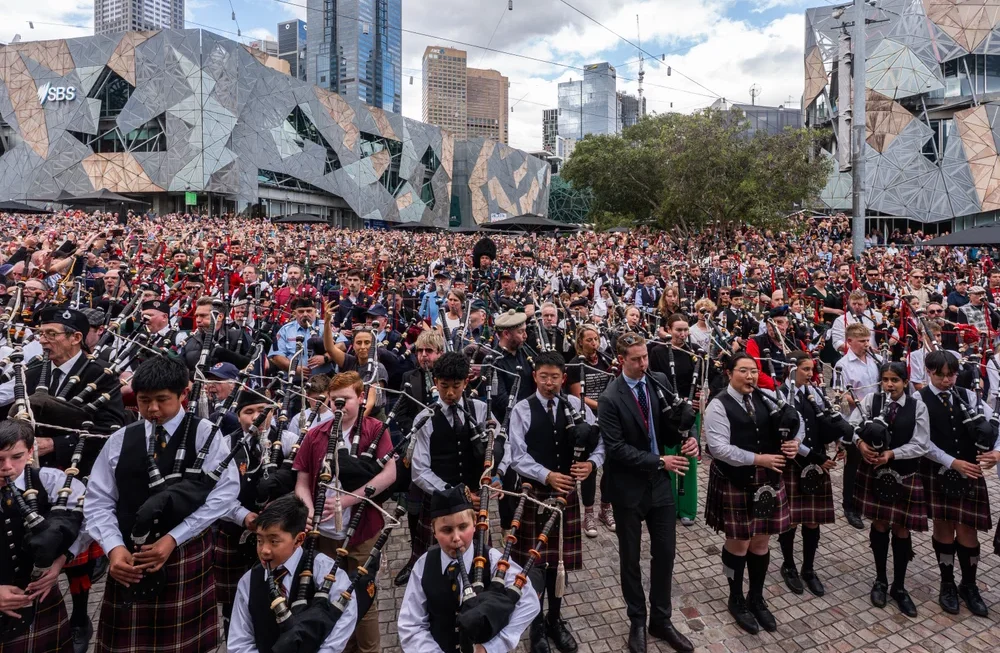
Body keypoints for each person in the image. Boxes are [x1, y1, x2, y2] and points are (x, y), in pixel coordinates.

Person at [84, 355, 239, 653]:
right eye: (144, 400)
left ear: (183, 393)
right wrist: (113, 548)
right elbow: (98, 500)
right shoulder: (120, 440)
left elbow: (225, 493)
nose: (152, 409)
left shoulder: (205, 433)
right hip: (129, 558)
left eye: (162, 399)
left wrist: (173, 538)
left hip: (185, 553)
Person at [598, 332, 695, 653]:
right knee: (630, 558)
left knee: (665, 553)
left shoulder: (657, 380)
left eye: (645, 357)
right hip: (628, 487)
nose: (643, 364)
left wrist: (689, 437)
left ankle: (661, 620)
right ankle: (637, 620)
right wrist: (660, 461)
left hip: (659, 484)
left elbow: (672, 422)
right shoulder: (611, 397)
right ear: (621, 360)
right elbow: (616, 449)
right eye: (636, 359)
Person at [507, 351, 604, 653]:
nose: (549, 383)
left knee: (558, 562)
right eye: (543, 377)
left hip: (566, 496)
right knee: (534, 564)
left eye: (555, 378)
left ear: (564, 378)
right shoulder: (522, 409)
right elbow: (516, 454)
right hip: (535, 494)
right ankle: (536, 625)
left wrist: (592, 464)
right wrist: (546, 475)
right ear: (534, 376)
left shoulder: (576, 405)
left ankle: (555, 619)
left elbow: (600, 441)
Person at [292, 371, 395, 653]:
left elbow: (389, 475)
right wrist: (308, 509)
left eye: (345, 399)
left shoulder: (375, 429)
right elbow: (301, 480)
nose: (339, 405)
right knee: (330, 596)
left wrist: (348, 500)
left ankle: (369, 650)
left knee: (363, 596)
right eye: (334, 400)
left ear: (361, 398)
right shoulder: (316, 434)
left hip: (363, 531)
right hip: (324, 534)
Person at [703, 353, 798, 635]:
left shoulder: (767, 396)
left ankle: (756, 597)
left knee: (761, 543)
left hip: (768, 480)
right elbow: (718, 449)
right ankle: (735, 598)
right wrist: (759, 459)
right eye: (743, 371)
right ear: (729, 373)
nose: (750, 376)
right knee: (738, 545)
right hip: (737, 480)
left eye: (754, 371)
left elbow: (796, 420)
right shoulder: (717, 405)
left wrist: (795, 441)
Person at [397, 484, 540, 653]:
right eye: (446, 530)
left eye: (463, 527)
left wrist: (492, 647)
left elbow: (529, 602)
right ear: (434, 531)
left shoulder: (493, 560)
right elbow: (411, 625)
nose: (456, 538)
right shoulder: (423, 565)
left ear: (474, 523)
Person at [227, 494, 359, 653]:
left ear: (299, 540)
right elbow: (239, 643)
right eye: (260, 540)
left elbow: (345, 614)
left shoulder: (322, 569)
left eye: (274, 541)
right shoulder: (249, 582)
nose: (264, 550)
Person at [919, 350, 998, 617]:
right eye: (940, 375)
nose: (946, 381)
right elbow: (922, 442)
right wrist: (952, 462)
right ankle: (947, 584)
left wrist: (997, 452)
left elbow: (996, 424)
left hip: (970, 474)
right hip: (938, 472)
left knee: (968, 532)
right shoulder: (919, 400)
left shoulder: (969, 396)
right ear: (929, 371)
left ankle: (969, 585)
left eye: (951, 375)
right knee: (943, 528)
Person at [848, 362, 929, 618]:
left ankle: (899, 586)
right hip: (875, 474)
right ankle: (881, 580)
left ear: (905, 381)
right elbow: (851, 426)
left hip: (904, 474)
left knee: (902, 529)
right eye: (885, 379)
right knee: (880, 524)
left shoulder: (917, 406)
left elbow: (921, 443)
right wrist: (860, 444)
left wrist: (892, 454)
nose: (890, 384)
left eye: (895, 379)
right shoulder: (871, 400)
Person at [0, 419, 88, 653]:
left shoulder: (50, 481)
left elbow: (88, 519)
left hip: (40, 598)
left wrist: (61, 560)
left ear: (31, 452)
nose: (7, 467)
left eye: (17, 457)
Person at [775, 352, 839, 597]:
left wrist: (839, 440)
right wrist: (816, 457)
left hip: (817, 463)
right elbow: (790, 438)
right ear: (791, 370)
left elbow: (827, 421)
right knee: (791, 520)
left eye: (812, 369)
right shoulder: (780, 395)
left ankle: (809, 569)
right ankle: (789, 565)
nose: (810, 374)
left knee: (813, 520)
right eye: (805, 369)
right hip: (795, 463)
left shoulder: (815, 392)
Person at [393, 330, 444, 586]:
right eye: (420, 351)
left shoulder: (449, 376)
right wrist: (415, 430)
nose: (423, 356)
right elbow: (401, 413)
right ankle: (416, 557)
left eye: (429, 351)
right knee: (414, 510)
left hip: (444, 453)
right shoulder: (409, 377)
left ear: (439, 353)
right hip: (417, 451)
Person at [565, 323, 615, 535]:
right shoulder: (575, 364)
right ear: (580, 342)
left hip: (608, 418)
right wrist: (605, 406)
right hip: (587, 419)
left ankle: (606, 507)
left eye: (596, 339)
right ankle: (588, 514)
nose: (594, 343)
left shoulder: (605, 359)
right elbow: (578, 396)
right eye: (589, 340)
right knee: (590, 467)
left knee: (611, 465)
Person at [833, 322, 881, 530]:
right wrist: (864, 403)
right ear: (849, 342)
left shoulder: (875, 360)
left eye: (867, 340)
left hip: (876, 418)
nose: (866, 344)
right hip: (854, 419)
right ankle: (849, 506)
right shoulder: (842, 365)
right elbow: (840, 395)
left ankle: (869, 500)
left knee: (874, 458)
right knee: (852, 464)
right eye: (861, 341)